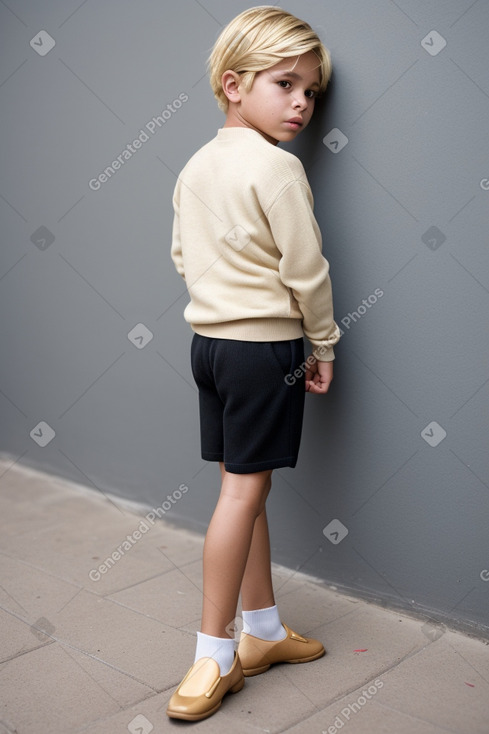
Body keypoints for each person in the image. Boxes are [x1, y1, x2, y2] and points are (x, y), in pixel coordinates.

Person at [166, 5, 341, 721]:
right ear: (233, 85)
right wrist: (322, 343)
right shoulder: (276, 168)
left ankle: (262, 630)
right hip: (262, 350)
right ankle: (213, 653)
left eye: (310, 91)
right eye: (285, 84)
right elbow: (307, 271)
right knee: (242, 494)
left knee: (243, 483)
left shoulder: (196, 164)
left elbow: (181, 254)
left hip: (207, 348)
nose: (301, 102)